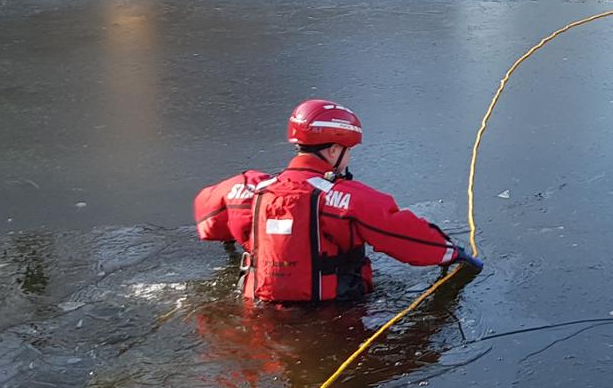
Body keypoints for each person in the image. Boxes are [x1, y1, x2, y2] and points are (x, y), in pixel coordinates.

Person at [193, 99, 481, 303]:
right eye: (347, 150)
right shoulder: (349, 199)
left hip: (259, 308)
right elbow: (407, 237)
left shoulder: (247, 190)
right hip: (334, 311)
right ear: (332, 151)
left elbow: (206, 220)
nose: (349, 157)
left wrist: (236, 235)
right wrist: (452, 253)